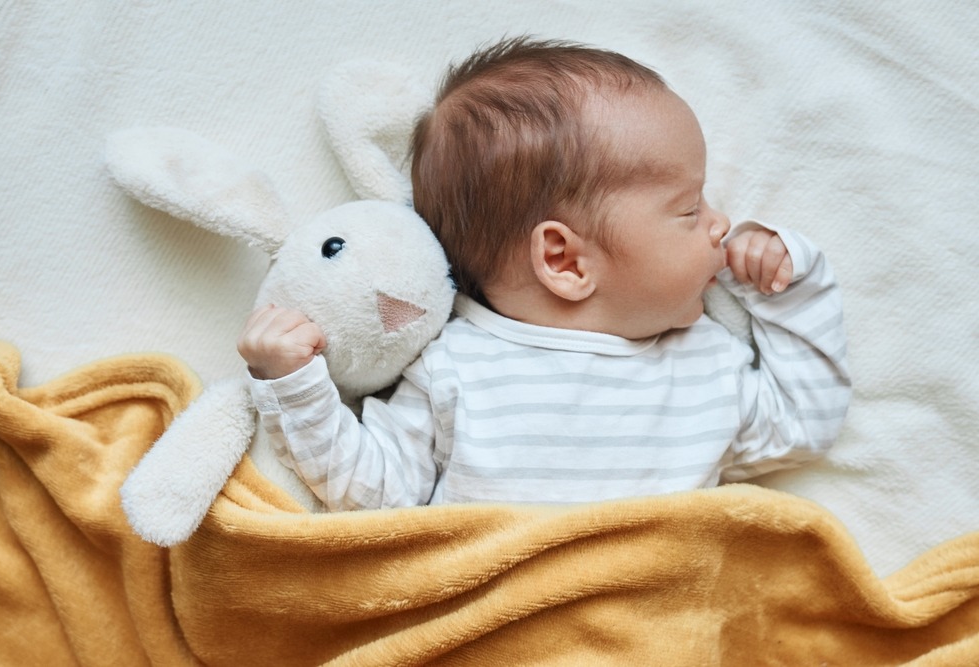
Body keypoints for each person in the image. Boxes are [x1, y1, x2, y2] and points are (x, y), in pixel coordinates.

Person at [237, 38, 851, 511]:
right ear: (564, 261)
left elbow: (806, 421)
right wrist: (296, 386)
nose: (722, 226)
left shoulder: (708, 367)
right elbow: (373, 490)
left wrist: (787, 286)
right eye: (690, 210)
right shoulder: (456, 372)